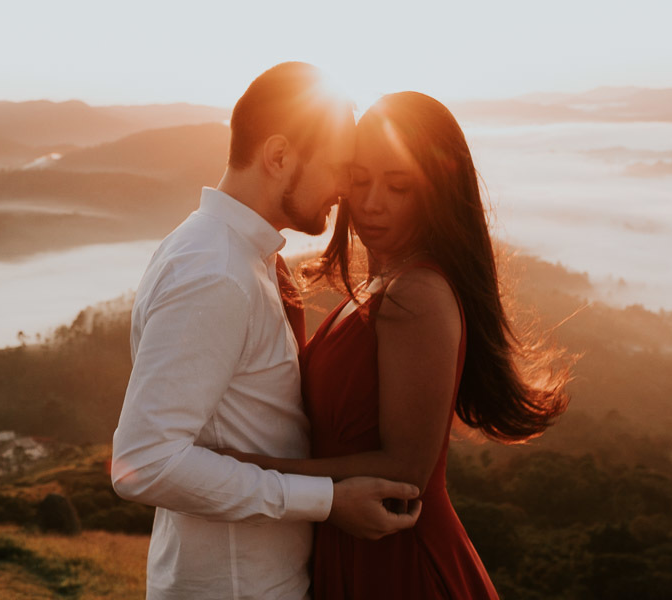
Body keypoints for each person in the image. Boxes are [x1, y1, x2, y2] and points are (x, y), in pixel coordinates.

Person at [216, 91, 571, 599]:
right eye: (358, 180)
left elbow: (406, 470)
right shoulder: (378, 288)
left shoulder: (417, 294)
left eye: (398, 186)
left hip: (398, 563)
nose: (370, 202)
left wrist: (248, 469)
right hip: (350, 545)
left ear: (435, 192)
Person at [110, 63, 421, 600]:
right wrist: (325, 501)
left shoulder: (225, 254)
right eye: (340, 168)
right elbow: (144, 463)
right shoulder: (216, 272)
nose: (347, 190)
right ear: (279, 157)